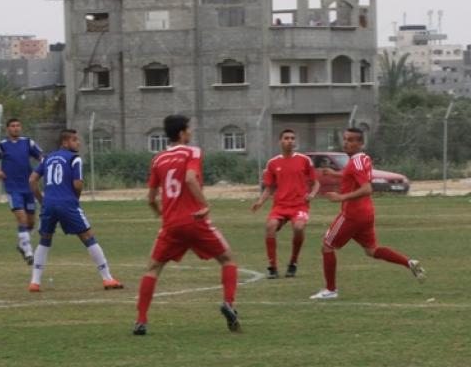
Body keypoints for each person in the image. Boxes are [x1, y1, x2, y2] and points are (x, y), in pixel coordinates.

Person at [133, 114, 241, 335]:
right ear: (182, 133)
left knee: (153, 269)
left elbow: (151, 199)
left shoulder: (158, 159)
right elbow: (191, 178)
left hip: (171, 225)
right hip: (195, 220)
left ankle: (141, 320)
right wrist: (205, 205)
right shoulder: (193, 152)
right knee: (227, 259)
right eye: (189, 129)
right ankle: (229, 303)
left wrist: (163, 216)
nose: (190, 133)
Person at [310, 127, 426, 300]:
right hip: (366, 213)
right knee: (371, 250)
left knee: (327, 246)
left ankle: (330, 290)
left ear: (360, 143)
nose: (346, 143)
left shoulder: (355, 162)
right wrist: (336, 174)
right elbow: (352, 175)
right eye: (345, 139)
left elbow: (367, 188)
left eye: (350, 140)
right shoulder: (362, 159)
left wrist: (342, 196)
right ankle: (408, 262)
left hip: (352, 214)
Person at [27, 129, 122, 292]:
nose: (78, 142)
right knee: (88, 237)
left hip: (49, 204)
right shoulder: (74, 159)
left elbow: (32, 180)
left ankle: (35, 282)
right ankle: (107, 278)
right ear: (65, 142)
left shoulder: (47, 158)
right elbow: (78, 184)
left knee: (45, 239)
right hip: (67, 203)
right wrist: (74, 199)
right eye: (74, 140)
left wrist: (42, 200)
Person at [251, 129, 320, 279]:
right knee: (270, 227)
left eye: (293, 138)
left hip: (299, 205)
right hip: (280, 206)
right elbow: (269, 188)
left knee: (299, 227)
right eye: (287, 138)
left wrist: (312, 194)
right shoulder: (273, 163)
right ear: (280, 141)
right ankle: (272, 267)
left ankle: (293, 263)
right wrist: (260, 202)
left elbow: (316, 183)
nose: (290, 141)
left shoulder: (304, 160)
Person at [0, 118, 43, 264]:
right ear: (7, 129)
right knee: (21, 218)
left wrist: (43, 165)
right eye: (13, 126)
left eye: (18, 125)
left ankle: (22, 244)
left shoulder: (28, 143)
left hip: (28, 187)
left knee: (31, 222)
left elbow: (40, 156)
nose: (16, 128)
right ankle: (28, 251)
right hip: (13, 188)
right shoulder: (2, 145)